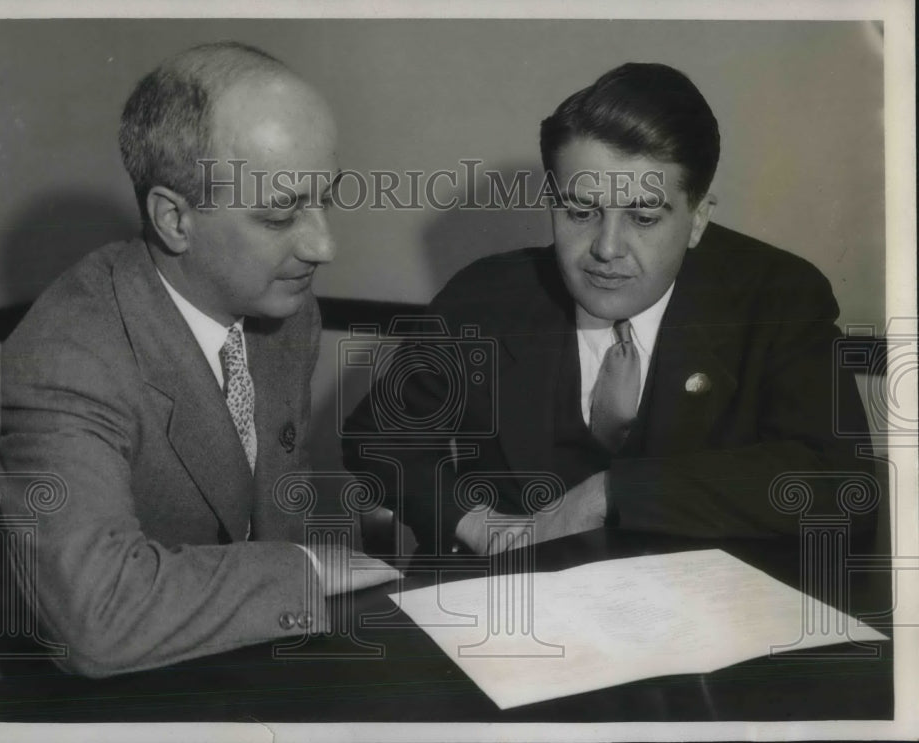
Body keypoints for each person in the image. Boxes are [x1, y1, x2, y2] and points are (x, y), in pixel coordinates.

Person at [0, 41, 394, 682]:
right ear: (174, 219)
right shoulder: (61, 364)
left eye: (325, 198)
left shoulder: (284, 312)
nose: (324, 244)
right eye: (280, 215)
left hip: (211, 656)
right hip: (37, 692)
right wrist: (309, 569)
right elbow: (101, 619)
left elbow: (273, 508)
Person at [343, 62, 876, 556]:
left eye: (643, 218)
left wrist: (611, 493)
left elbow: (842, 487)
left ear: (696, 219)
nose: (607, 248)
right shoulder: (487, 298)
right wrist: (476, 522)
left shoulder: (776, 297)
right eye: (581, 211)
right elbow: (378, 437)